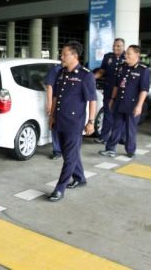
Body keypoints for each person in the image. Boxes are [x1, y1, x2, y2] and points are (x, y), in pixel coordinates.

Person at [48, 41, 97, 202]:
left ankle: (59, 188)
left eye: (64, 54)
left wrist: (91, 121)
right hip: (60, 120)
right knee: (69, 153)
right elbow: (56, 96)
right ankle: (80, 178)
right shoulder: (61, 72)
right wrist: (52, 115)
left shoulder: (85, 75)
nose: (61, 57)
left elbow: (92, 100)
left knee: (69, 157)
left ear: (74, 56)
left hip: (74, 123)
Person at [99, 45, 149, 158]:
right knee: (116, 126)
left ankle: (130, 150)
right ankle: (110, 149)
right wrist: (112, 99)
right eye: (126, 53)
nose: (126, 55)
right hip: (120, 102)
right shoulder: (122, 67)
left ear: (137, 55)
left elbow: (144, 90)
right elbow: (117, 85)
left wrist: (139, 106)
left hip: (133, 104)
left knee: (130, 129)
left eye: (129, 53)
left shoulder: (143, 70)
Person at [94, 38, 126, 144]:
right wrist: (91, 78)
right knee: (107, 114)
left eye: (118, 46)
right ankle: (104, 137)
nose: (115, 48)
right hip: (109, 90)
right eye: (114, 45)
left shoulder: (127, 57)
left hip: (122, 93)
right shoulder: (108, 57)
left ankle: (121, 137)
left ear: (123, 47)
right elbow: (102, 71)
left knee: (121, 115)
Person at [44, 64, 63, 160]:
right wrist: (50, 103)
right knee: (55, 126)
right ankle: (57, 151)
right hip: (57, 102)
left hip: (70, 104)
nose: (63, 57)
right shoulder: (56, 69)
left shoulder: (77, 71)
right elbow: (49, 86)